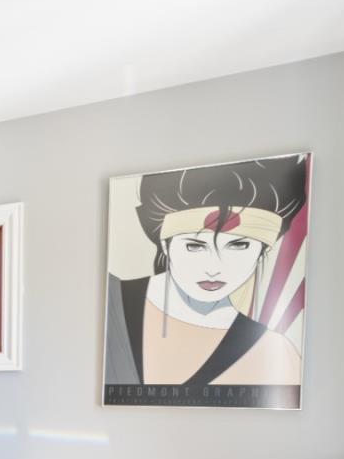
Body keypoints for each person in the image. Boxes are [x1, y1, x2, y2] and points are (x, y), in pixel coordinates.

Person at [105, 155, 307, 388]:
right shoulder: (109, 301)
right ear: (165, 244)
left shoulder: (274, 352)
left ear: (263, 249)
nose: (213, 267)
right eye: (194, 245)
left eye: (238, 245)